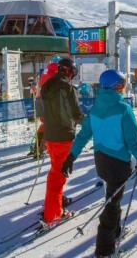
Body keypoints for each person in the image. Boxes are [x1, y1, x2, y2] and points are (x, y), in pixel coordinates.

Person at [61, 70, 137, 258]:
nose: (123, 89)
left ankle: (114, 233)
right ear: (116, 86)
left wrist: (71, 157)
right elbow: (132, 139)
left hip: (101, 161)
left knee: (112, 198)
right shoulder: (124, 109)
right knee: (112, 204)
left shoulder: (95, 109)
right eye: (122, 85)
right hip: (118, 164)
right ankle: (105, 249)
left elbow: (83, 135)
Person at [40, 57, 83, 225]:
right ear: (69, 72)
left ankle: (54, 204)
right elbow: (75, 114)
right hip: (63, 137)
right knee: (58, 176)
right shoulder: (67, 88)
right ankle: (52, 214)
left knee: (56, 171)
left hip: (50, 136)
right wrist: (87, 121)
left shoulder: (47, 85)